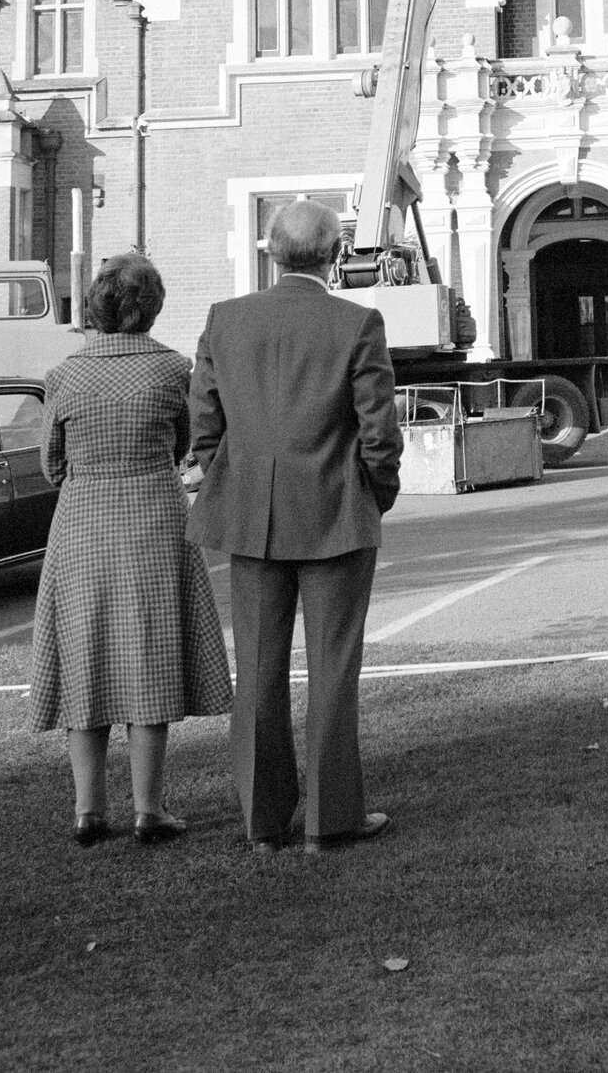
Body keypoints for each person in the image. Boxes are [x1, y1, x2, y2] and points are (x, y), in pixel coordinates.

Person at [188, 198, 403, 849]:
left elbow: (204, 421)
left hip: (252, 513)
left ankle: (263, 821)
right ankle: (328, 820)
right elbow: (379, 431)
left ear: (271, 252)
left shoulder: (225, 320)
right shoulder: (357, 321)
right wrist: (379, 492)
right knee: (333, 670)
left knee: (256, 670)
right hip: (335, 511)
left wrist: (227, 470)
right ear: (336, 254)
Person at [28, 250, 233, 846]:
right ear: (151, 307)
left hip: (82, 526)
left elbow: (51, 465)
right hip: (153, 521)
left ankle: (87, 811)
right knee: (152, 658)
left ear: (95, 305)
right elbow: (187, 446)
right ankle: (149, 809)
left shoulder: (63, 376)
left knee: (84, 659)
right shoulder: (172, 370)